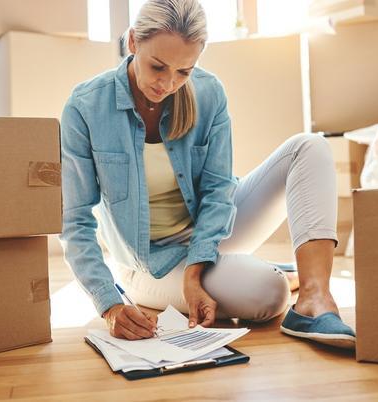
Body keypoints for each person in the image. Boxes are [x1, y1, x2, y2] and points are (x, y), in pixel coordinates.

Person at [60, 0, 356, 349]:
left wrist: (196, 269)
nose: (168, 84)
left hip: (211, 234)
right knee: (268, 294)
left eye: (184, 71)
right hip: (149, 263)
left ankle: (313, 300)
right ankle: (277, 275)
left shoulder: (209, 91)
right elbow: (75, 221)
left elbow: (218, 189)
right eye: (158, 66)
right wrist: (109, 304)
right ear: (132, 43)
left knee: (310, 146)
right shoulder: (85, 107)